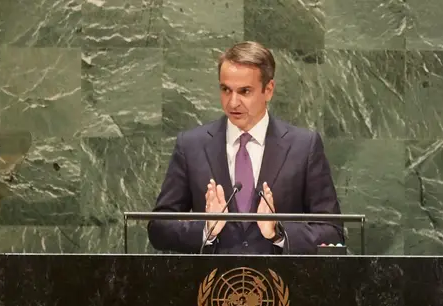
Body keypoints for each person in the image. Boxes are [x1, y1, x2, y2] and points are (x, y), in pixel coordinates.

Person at [147, 41, 344, 254]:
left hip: (279, 275)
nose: (233, 103)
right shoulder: (191, 145)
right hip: (213, 275)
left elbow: (332, 232)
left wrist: (278, 232)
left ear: (268, 90)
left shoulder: (303, 147)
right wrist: (205, 230)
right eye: (226, 90)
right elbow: (159, 228)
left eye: (245, 91)